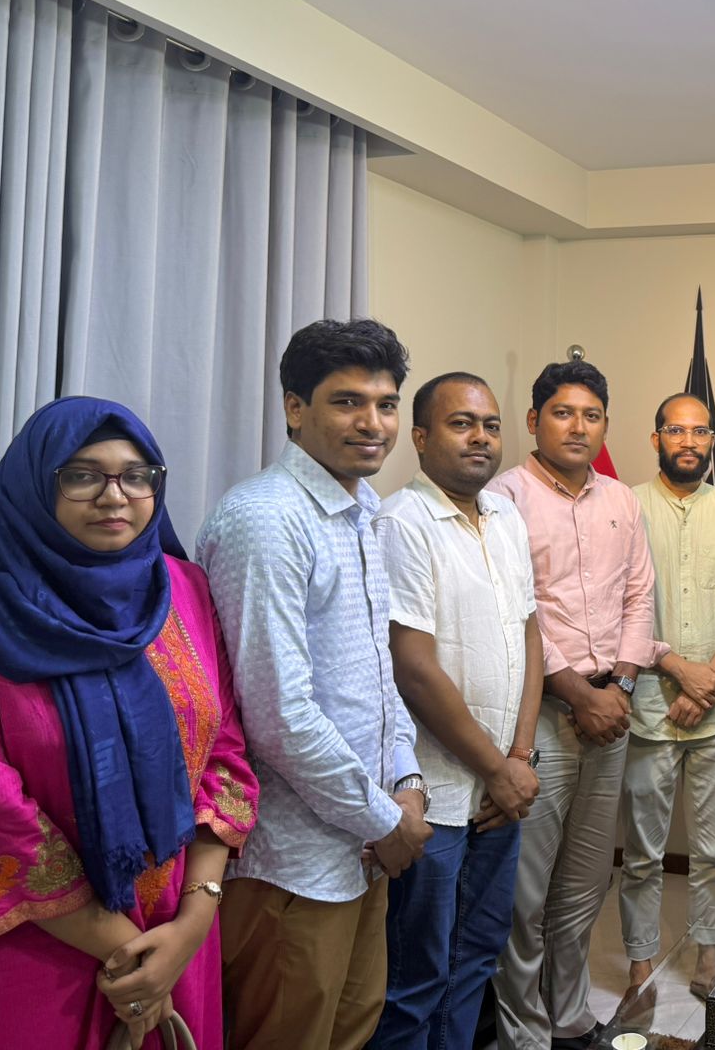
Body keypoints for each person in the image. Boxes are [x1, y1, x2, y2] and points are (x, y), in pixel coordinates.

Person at [0, 397, 258, 1050]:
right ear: (36, 484)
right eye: (82, 475)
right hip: (36, 947)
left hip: (176, 932)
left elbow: (225, 756)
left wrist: (191, 923)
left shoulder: (182, 589)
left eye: (136, 475)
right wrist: (126, 949)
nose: (114, 495)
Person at [199, 318, 433, 1050]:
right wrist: (385, 820)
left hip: (363, 848)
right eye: (347, 402)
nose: (373, 423)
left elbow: (377, 675)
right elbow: (278, 716)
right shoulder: (265, 519)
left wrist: (407, 783)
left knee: (351, 1031)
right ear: (295, 408)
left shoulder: (362, 510)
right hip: (293, 863)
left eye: (386, 404)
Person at [370, 372, 544, 1050]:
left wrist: (518, 759)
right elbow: (413, 667)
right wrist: (497, 769)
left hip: (500, 794)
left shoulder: (505, 518)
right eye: (461, 423)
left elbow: (529, 632)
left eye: (491, 425)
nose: (480, 437)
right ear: (420, 437)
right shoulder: (401, 523)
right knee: (415, 978)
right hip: (436, 796)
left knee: (475, 958)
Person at [489, 360, 656, 1050]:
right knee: (526, 892)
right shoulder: (504, 497)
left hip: (610, 714)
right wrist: (579, 693)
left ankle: (570, 1017)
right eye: (563, 413)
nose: (578, 427)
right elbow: (516, 609)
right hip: (544, 717)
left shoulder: (620, 499)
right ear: (534, 421)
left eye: (591, 416)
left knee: (585, 884)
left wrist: (619, 689)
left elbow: (640, 596)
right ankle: (525, 1033)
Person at [621, 393, 715, 998]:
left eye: (700, 432)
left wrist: (706, 685)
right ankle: (640, 961)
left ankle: (708, 956)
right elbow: (614, 606)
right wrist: (678, 670)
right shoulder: (624, 506)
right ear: (656, 439)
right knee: (642, 853)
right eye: (676, 431)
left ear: (711, 442)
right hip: (647, 707)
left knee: (713, 850)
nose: (688, 441)